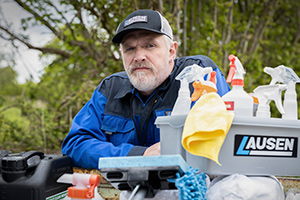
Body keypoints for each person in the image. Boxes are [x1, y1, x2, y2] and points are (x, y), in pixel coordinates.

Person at [61, 9, 230, 169]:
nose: (139, 57)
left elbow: (225, 137)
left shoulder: (200, 75)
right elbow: (76, 143)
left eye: (150, 46)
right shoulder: (109, 89)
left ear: (172, 51)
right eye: (130, 48)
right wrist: (138, 155)